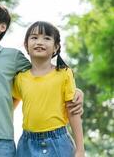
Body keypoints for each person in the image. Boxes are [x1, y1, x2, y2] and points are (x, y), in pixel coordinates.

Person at [0, 0, 84, 157]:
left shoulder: (13, 57)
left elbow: (41, 74)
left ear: (2, 27)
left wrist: (76, 90)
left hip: (3, 137)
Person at [13, 21, 85, 157]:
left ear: (56, 47)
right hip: (27, 143)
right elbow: (12, 101)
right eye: (34, 37)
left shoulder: (64, 74)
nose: (40, 42)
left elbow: (73, 111)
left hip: (58, 141)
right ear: (26, 45)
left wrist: (80, 149)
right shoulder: (20, 78)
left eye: (47, 38)